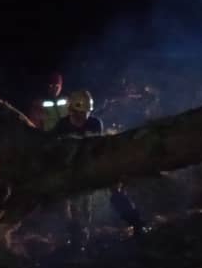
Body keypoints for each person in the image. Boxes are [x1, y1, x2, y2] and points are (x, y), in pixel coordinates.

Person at [54, 90, 145, 249]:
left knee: (116, 192)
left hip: (95, 165)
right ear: (71, 110)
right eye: (80, 113)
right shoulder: (62, 126)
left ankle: (137, 224)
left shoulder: (95, 123)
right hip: (73, 170)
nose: (84, 117)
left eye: (86, 113)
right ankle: (78, 238)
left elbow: (98, 147)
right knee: (75, 204)